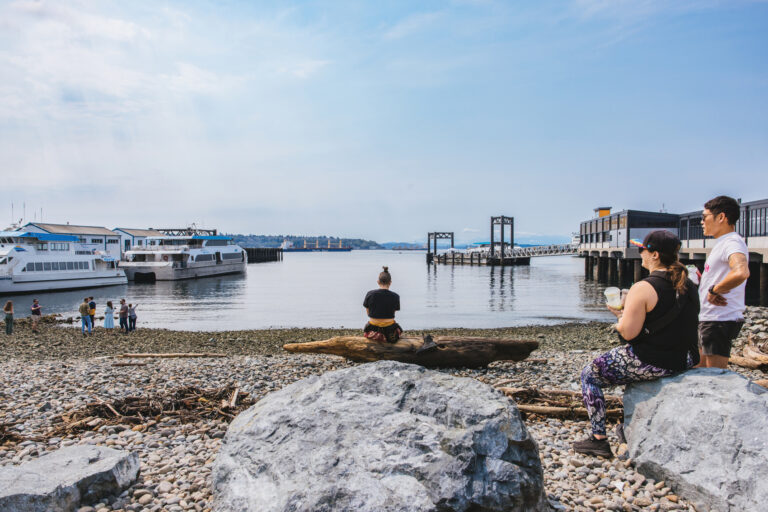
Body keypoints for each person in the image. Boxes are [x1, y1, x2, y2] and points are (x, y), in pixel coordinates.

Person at [574, 231, 700, 458]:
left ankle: (599, 439)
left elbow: (630, 334)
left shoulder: (642, 288)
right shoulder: (689, 285)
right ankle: (626, 426)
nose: (639, 254)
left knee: (589, 375)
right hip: (686, 359)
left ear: (654, 254)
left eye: (642, 249)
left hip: (656, 360)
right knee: (622, 367)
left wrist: (619, 316)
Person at [697, 196, 750, 369]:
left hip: (719, 320)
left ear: (721, 217)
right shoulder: (723, 243)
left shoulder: (732, 242)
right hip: (710, 319)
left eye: (704, 217)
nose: (701, 222)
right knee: (699, 370)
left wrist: (714, 290)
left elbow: (741, 271)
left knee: (715, 378)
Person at [363, 266, 403, 343]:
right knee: (398, 330)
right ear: (390, 282)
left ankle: (378, 336)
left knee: (368, 327)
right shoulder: (396, 296)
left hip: (373, 330)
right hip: (389, 329)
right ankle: (387, 336)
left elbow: (368, 313)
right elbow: (392, 314)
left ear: (378, 282)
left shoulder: (370, 294)